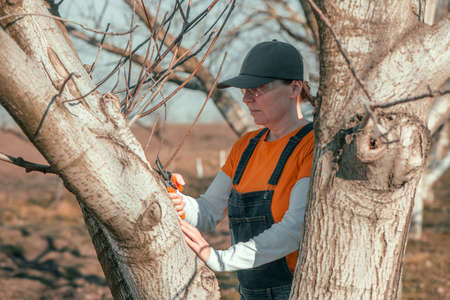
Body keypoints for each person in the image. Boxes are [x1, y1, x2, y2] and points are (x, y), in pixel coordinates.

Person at [170, 40, 314, 300]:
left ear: (294, 88)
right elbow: (207, 212)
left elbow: (295, 229)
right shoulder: (245, 146)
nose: (246, 99)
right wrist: (173, 199)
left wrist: (221, 259)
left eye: (257, 90)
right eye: (245, 91)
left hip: (295, 292)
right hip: (249, 293)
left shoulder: (312, 145)